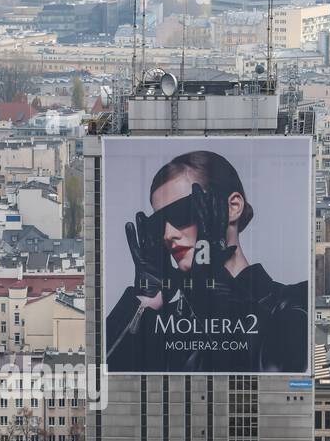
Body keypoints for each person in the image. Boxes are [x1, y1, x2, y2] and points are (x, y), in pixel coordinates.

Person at [105, 150, 308, 373]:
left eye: (181, 213)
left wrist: (211, 287)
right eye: (159, 223)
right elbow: (102, 388)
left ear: (233, 207)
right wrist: (143, 301)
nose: (167, 234)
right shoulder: (164, 323)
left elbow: (272, 386)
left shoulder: (294, 302)